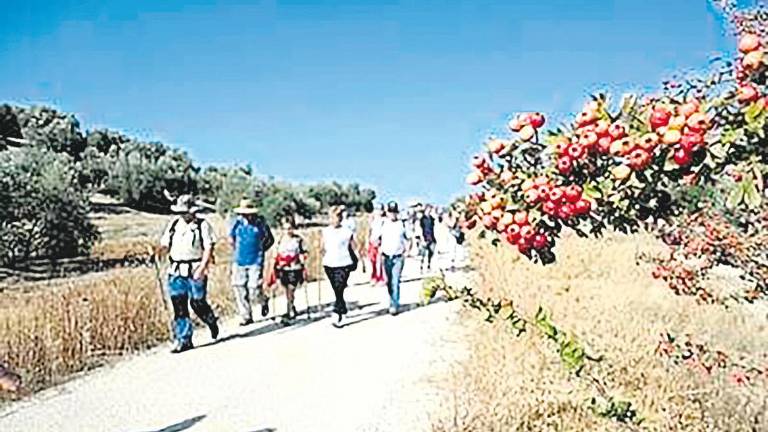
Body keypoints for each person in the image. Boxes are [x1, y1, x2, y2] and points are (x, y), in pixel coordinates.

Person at [157, 195, 219, 354]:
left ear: (192, 211)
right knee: (179, 305)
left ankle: (210, 320)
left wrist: (202, 268)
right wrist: (158, 253)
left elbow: (208, 248)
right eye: (180, 212)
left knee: (197, 302)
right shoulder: (173, 225)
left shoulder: (202, 225)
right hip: (176, 270)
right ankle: (184, 340)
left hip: (195, 267)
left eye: (185, 212)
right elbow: (165, 245)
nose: (182, 215)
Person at [229, 198, 275, 326]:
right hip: (239, 260)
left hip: (256, 260)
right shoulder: (236, 223)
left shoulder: (260, 223)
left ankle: (263, 300)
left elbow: (270, 240)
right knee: (239, 287)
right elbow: (231, 238)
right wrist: (236, 250)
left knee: (254, 287)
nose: (245, 215)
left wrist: (261, 250)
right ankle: (246, 316)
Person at [321, 206, 357, 327]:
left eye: (337, 217)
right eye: (332, 217)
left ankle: (337, 312)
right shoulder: (325, 231)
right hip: (329, 263)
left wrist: (358, 260)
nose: (334, 219)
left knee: (340, 286)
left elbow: (353, 246)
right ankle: (342, 307)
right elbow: (322, 247)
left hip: (344, 263)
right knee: (336, 289)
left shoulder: (347, 231)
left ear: (341, 218)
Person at [272, 215, 308, 323]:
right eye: (285, 228)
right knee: (286, 289)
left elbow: (303, 252)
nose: (288, 231)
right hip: (282, 268)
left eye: (290, 228)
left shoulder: (298, 240)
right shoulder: (279, 240)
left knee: (291, 288)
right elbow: (275, 254)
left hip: (294, 267)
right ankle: (291, 305)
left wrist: (303, 263)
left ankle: (290, 309)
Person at [380, 201, 409, 315]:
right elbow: (375, 238)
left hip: (398, 256)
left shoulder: (401, 225)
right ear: (387, 212)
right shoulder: (383, 224)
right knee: (388, 281)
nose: (392, 214)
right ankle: (391, 299)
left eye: (394, 212)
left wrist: (407, 251)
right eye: (390, 212)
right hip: (386, 256)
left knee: (395, 281)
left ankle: (394, 304)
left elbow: (409, 238)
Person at [367, 203, 386, 285]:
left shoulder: (384, 221)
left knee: (380, 261)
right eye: (376, 209)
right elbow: (369, 231)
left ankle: (381, 277)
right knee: (373, 260)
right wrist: (368, 241)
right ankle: (374, 276)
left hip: (380, 242)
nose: (378, 211)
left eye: (379, 209)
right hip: (372, 241)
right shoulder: (372, 220)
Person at [419, 204, 437, 272]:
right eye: (429, 209)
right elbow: (420, 228)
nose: (430, 211)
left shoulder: (432, 218)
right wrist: (422, 238)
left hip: (432, 237)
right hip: (425, 237)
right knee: (423, 254)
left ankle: (428, 266)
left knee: (431, 253)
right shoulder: (422, 219)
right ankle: (421, 266)